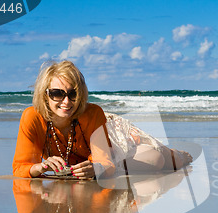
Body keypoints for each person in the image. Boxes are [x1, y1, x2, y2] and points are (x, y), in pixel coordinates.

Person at [12, 60, 192, 180]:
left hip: (114, 138)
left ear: (80, 94)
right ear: (45, 95)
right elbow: (20, 167)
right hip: (97, 160)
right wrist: (40, 167)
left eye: (72, 94)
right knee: (154, 160)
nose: (66, 102)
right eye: (57, 94)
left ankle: (178, 154)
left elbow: (103, 161)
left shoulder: (93, 113)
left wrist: (96, 169)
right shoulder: (32, 117)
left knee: (162, 159)